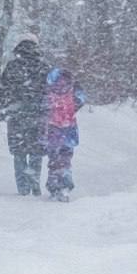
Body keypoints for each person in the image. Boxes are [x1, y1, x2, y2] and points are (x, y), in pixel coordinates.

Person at [0, 33, 49, 196]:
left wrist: (2, 111)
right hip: (37, 114)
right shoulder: (44, 66)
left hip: (16, 115)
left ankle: (22, 188)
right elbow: (50, 92)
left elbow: (2, 90)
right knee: (36, 151)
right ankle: (34, 184)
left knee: (19, 151)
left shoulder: (12, 66)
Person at [41, 67, 86, 202]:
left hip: (53, 128)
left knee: (54, 159)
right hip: (69, 128)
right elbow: (81, 100)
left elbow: (42, 107)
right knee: (66, 158)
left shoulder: (49, 89)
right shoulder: (73, 88)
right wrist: (70, 111)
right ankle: (65, 185)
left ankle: (54, 187)